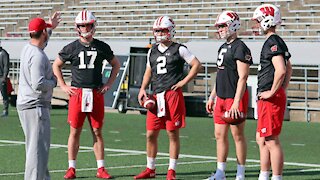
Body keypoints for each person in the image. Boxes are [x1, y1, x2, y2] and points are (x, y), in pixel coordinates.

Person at [52, 9, 120, 179]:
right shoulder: (71, 47)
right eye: (82, 25)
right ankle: (71, 167)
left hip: (95, 92)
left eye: (88, 25)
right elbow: (56, 65)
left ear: (93, 25)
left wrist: (109, 84)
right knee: (74, 131)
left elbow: (116, 65)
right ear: (77, 27)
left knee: (97, 131)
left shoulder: (102, 46)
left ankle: (101, 168)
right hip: (77, 93)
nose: (85, 28)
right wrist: (62, 85)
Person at [134, 16, 202, 180]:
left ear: (170, 31)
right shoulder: (152, 50)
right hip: (156, 95)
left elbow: (197, 65)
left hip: (172, 95)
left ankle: (172, 170)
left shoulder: (180, 48)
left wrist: (183, 82)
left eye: (162, 30)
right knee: (151, 134)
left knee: (172, 133)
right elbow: (148, 71)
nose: (160, 34)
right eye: (157, 31)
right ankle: (150, 168)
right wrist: (142, 88)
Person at [205, 11, 253, 180]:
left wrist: (236, 102)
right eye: (219, 26)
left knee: (237, 135)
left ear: (233, 25)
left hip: (234, 97)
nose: (220, 30)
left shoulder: (240, 47)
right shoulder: (223, 47)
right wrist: (212, 96)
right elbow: (220, 74)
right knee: (219, 135)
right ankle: (220, 172)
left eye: (223, 26)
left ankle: (240, 174)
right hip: (222, 96)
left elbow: (243, 77)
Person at [17, 12, 61, 180]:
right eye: (46, 31)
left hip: (28, 106)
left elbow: (40, 42)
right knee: (37, 153)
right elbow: (39, 84)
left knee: (37, 151)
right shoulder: (37, 55)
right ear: (42, 33)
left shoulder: (28, 49)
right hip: (35, 107)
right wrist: (54, 82)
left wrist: (49, 28)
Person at [252, 4, 292, 180]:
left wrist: (273, 91)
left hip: (270, 96)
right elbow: (289, 66)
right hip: (269, 95)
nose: (256, 25)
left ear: (267, 20)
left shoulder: (273, 42)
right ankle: (264, 175)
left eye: (258, 21)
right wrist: (282, 88)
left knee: (270, 140)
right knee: (262, 138)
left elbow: (282, 69)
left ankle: (276, 177)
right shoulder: (275, 41)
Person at [0, 42, 10, 117]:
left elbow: (6, 65)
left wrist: (4, 77)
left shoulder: (3, 53)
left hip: (1, 77)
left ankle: (5, 110)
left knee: (4, 94)